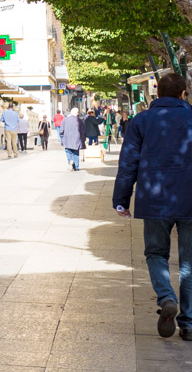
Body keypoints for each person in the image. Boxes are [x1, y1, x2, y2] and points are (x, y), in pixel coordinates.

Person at [113, 72, 192, 340]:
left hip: (155, 199)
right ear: (183, 94)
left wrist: (121, 200)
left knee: (156, 253)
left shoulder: (141, 121)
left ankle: (167, 297)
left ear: (157, 94)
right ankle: (189, 323)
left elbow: (128, 164)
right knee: (189, 261)